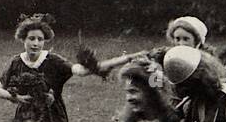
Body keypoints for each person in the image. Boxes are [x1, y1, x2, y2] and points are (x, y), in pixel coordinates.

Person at [75, 15, 214, 78]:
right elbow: (134, 57)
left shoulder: (207, 61)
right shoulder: (167, 55)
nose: (180, 44)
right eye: (177, 39)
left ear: (197, 42)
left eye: (186, 39)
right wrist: (100, 66)